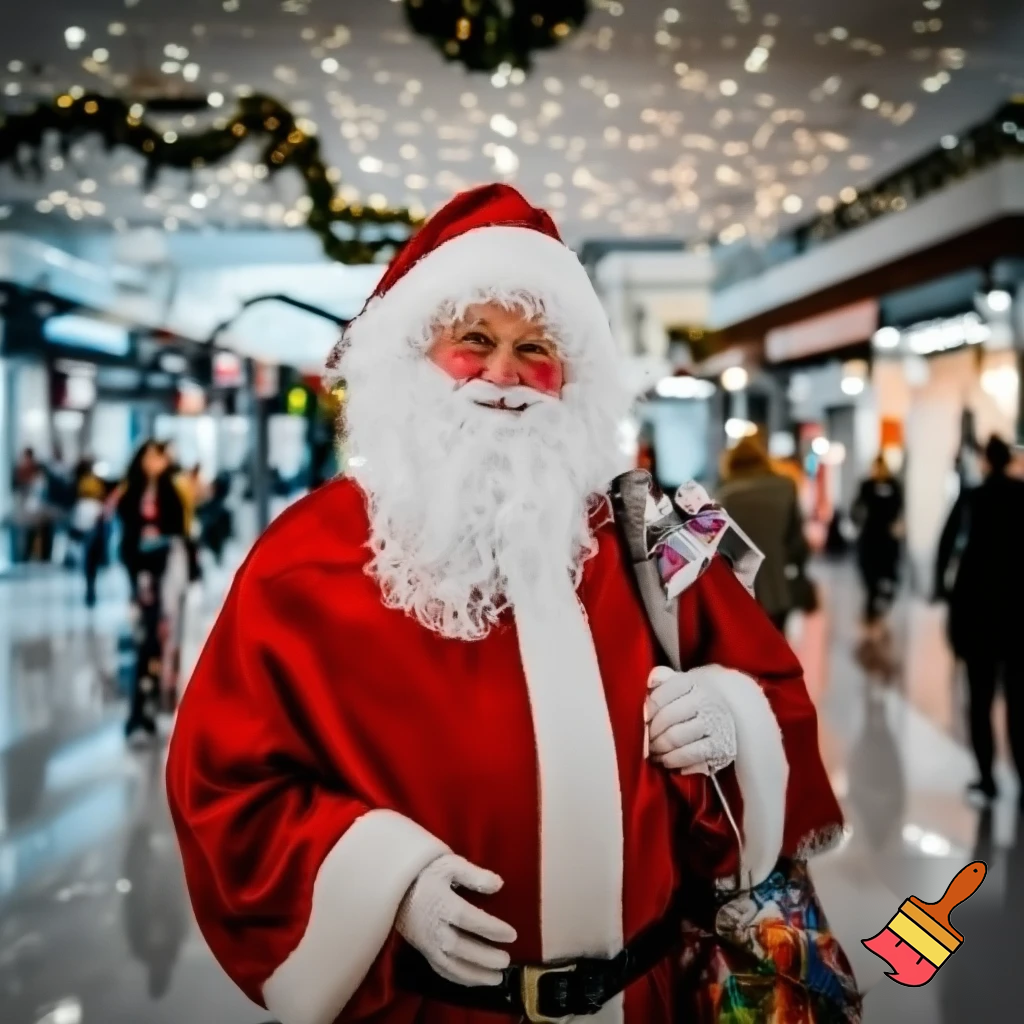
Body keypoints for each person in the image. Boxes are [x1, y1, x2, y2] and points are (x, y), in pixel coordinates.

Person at [166, 185, 845, 1024]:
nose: (504, 374)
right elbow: (226, 790)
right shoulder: (306, 559)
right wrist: (385, 881)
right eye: (474, 341)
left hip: (644, 1001)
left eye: (536, 349)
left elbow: (776, 694)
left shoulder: (640, 537)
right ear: (417, 356)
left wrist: (729, 717)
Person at [936, 434, 1024, 807]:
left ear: (986, 460)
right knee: (1021, 701)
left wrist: (942, 592)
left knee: (980, 699)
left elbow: (946, 550)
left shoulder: (972, 498)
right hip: (1019, 614)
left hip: (977, 614)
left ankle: (987, 779)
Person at [117, 441, 188, 738]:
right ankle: (138, 709)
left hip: (166, 575)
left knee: (162, 639)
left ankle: (154, 703)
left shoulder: (171, 492)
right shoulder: (131, 493)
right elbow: (127, 537)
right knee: (144, 640)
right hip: (142, 576)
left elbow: (179, 531)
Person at [717, 435, 811, 634]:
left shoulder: (725, 497)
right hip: (778, 589)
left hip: (739, 593)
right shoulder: (785, 487)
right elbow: (797, 543)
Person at [851, 455, 904, 636]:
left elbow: (899, 509)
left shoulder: (894, 486)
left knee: (890, 579)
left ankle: (878, 611)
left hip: (887, 541)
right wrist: (858, 523)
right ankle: (871, 614)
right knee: (870, 580)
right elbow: (855, 508)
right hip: (870, 539)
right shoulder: (866, 486)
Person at [71, 458, 109, 606]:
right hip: (91, 524)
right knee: (90, 560)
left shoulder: (82, 484)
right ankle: (90, 587)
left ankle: (90, 587)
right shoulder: (93, 483)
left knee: (89, 560)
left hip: (88, 524)